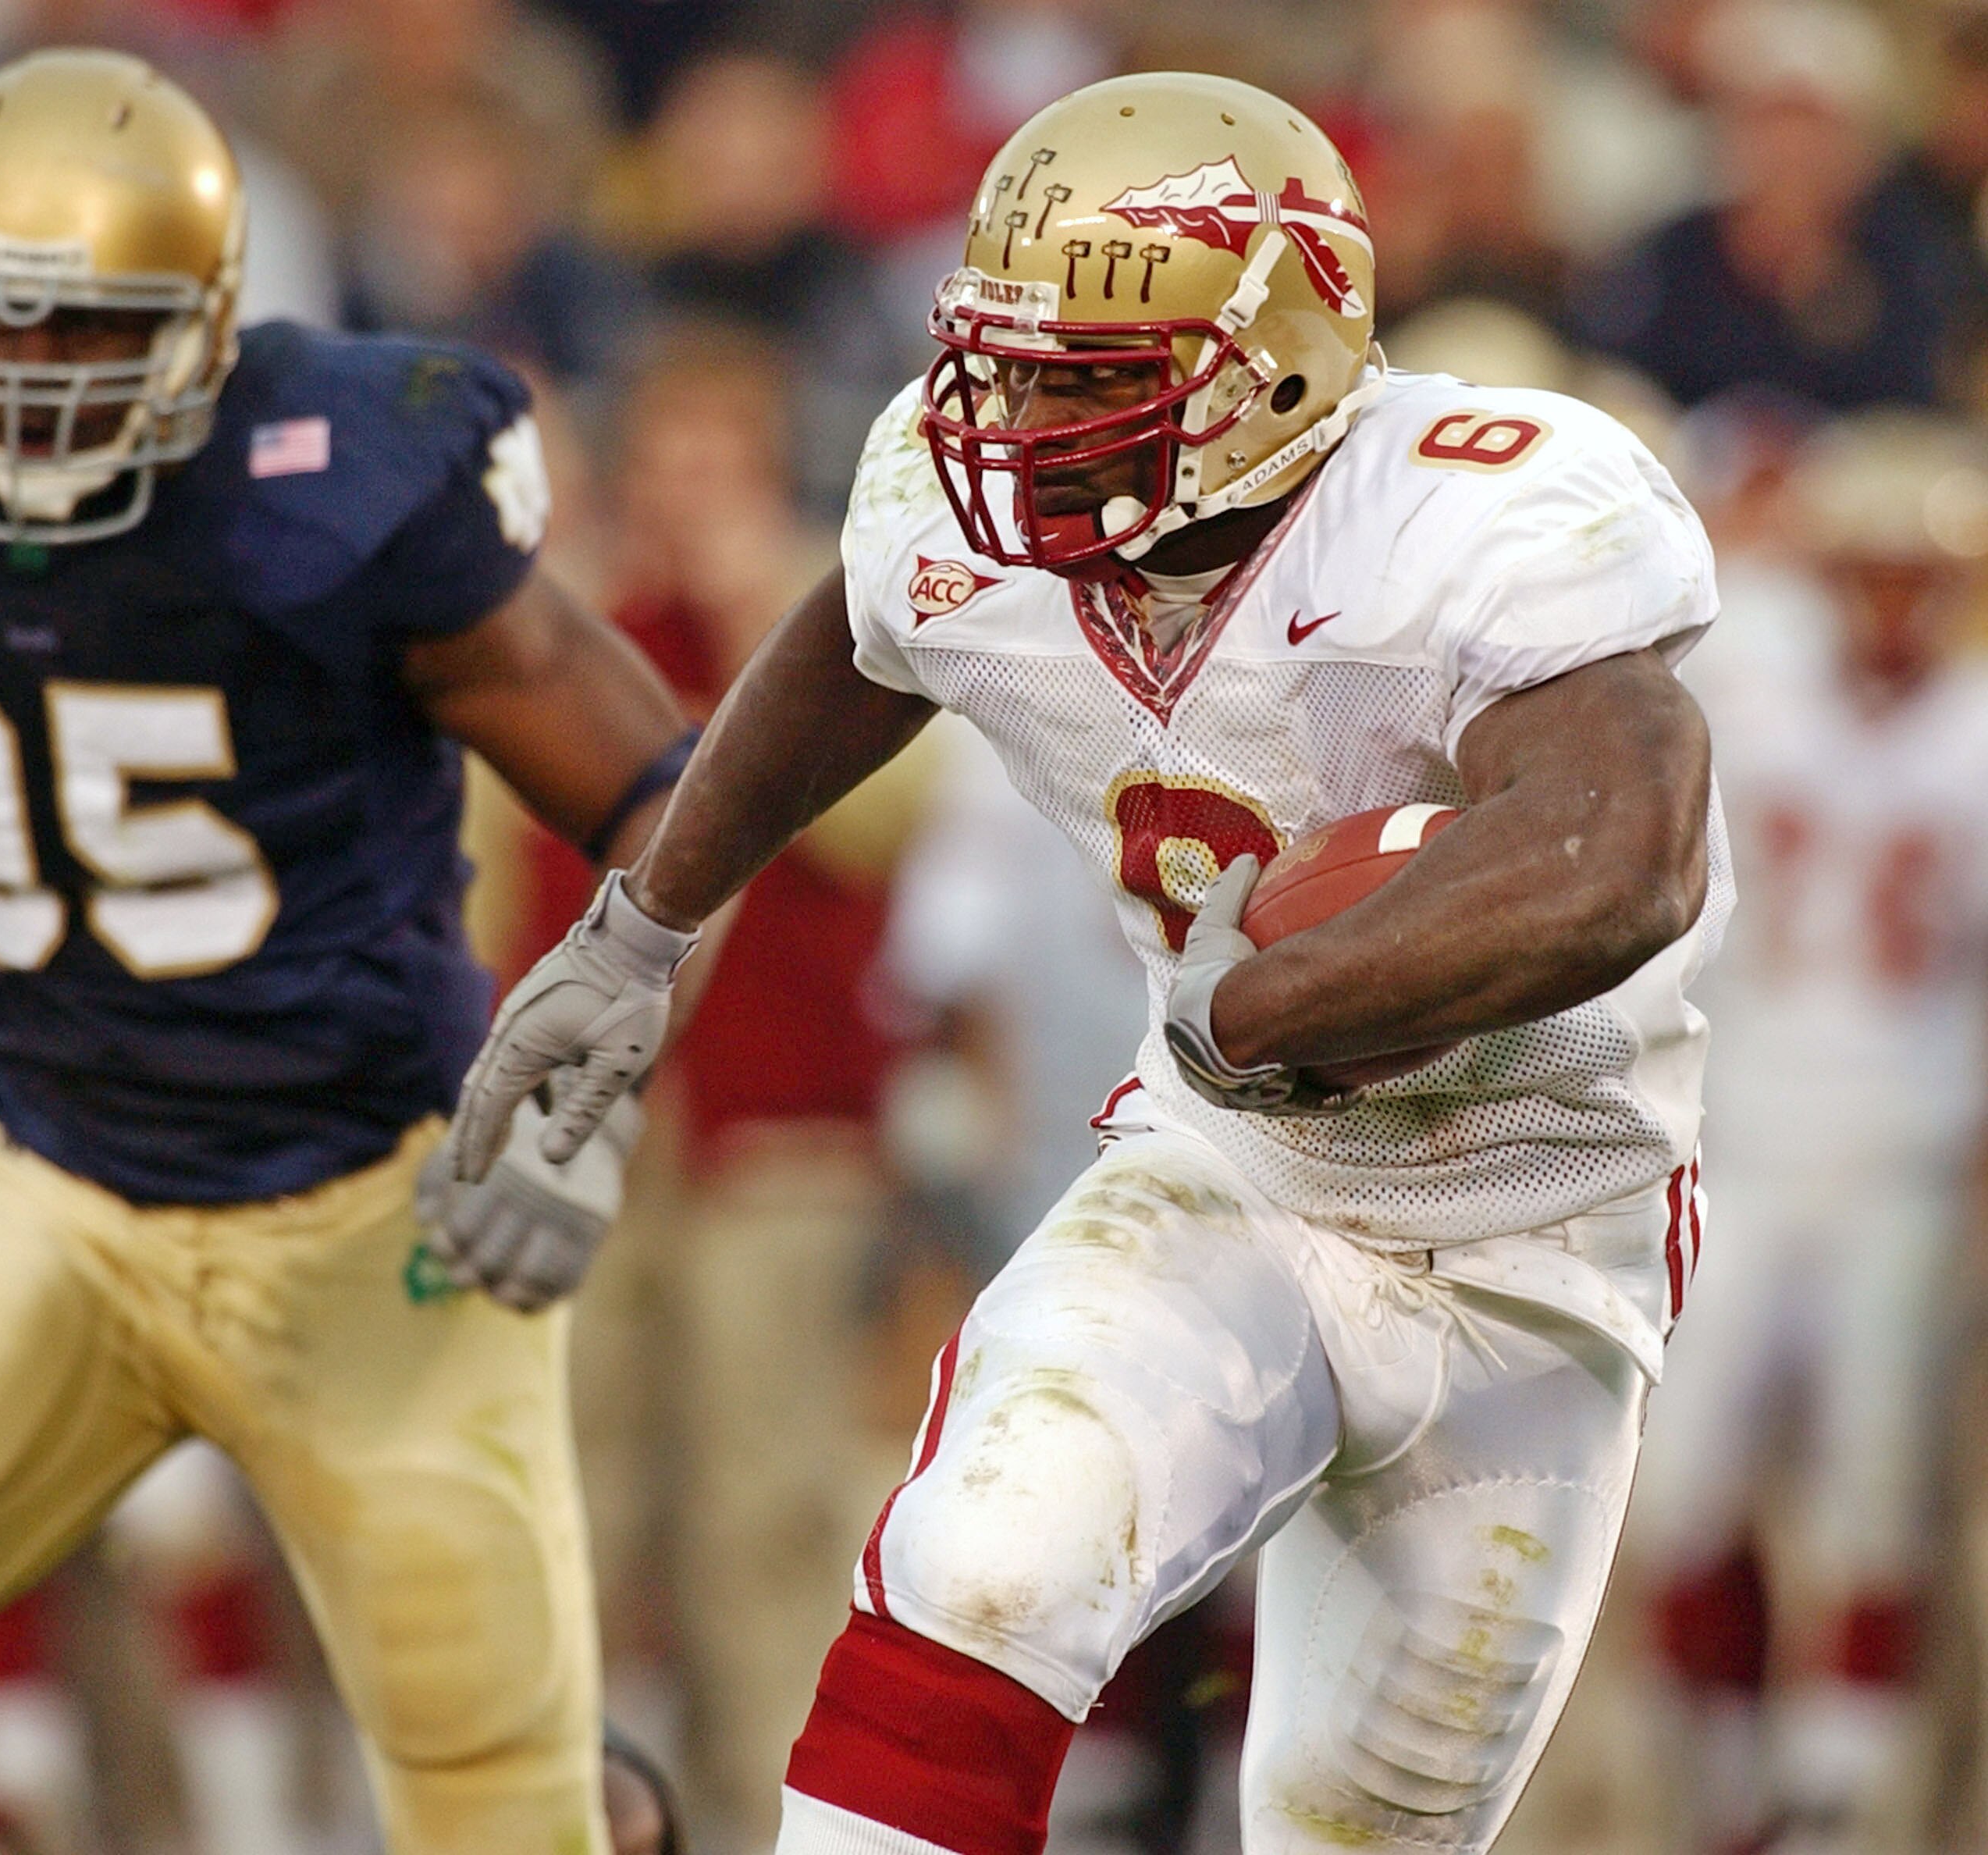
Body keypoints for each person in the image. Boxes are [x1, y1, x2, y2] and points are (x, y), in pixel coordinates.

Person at [436, 69, 1730, 1855]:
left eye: (1086, 379)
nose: (1012, 418)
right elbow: (864, 634)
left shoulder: (1471, 507)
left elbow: (1622, 856)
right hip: (1233, 1166)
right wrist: (643, 920)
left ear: (1274, 361)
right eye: (1005, 360)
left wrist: (1270, 1000)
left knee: (1357, 1823)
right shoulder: (977, 507)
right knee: (984, 1561)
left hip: (1534, 1241)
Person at [0, 49, 695, 1855]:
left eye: (86, 336)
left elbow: (678, 813)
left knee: (511, 1820)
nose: (27, 385)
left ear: (211, 330)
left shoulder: (332, 488)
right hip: (45, 1188)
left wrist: (580, 1093)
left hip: (377, 1213)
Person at [1637, 411, 1988, 1854]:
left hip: (1909, 1163)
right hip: (1741, 1148)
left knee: (1875, 1502)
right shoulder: (1753, 672)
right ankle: (1733, 1803)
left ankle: (1839, 1811)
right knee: (1680, 1501)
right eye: (1870, 570)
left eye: (1920, 575)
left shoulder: (1974, 735)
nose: (1892, 603)